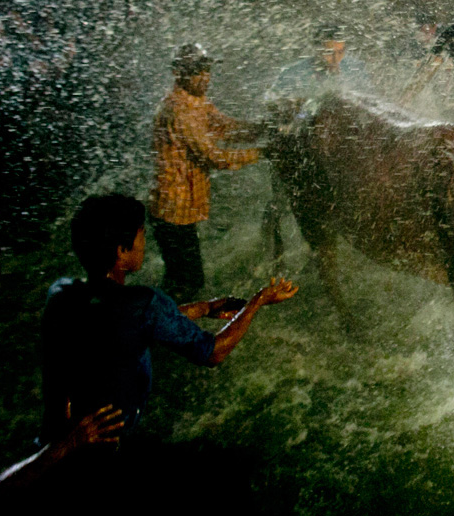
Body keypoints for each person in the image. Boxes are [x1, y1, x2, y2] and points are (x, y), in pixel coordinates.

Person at [36, 195, 296, 496]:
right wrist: (258, 302)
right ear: (122, 251)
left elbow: (122, 323)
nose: (146, 241)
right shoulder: (144, 302)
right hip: (98, 460)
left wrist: (204, 307)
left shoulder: (61, 295)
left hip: (56, 446)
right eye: (141, 234)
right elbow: (213, 352)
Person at [150, 43, 262, 300]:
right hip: (172, 211)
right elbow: (215, 157)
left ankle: (161, 325)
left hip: (179, 209)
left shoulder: (195, 101)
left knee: (182, 280)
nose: (205, 78)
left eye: (207, 70)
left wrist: (263, 127)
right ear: (179, 74)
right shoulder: (179, 111)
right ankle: (161, 330)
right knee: (187, 283)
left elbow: (225, 127)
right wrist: (262, 152)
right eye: (198, 72)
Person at [262, 23, 373, 260]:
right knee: (288, 197)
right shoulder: (292, 74)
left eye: (341, 52)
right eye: (329, 52)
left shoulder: (356, 69)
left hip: (342, 146)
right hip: (303, 148)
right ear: (315, 50)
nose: (336, 60)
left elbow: (370, 102)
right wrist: (289, 111)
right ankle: (278, 240)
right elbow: (271, 102)